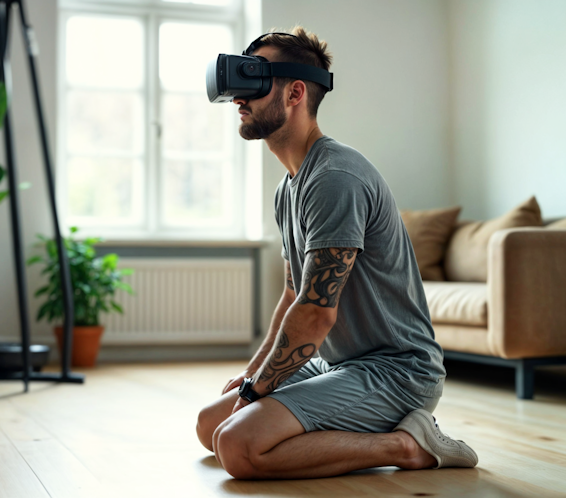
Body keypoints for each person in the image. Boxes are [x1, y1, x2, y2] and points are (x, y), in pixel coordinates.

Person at [196, 26, 478, 480]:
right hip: (340, 362)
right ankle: (318, 428)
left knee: (237, 446)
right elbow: (293, 295)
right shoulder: (288, 189)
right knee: (210, 425)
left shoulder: (335, 177)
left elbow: (315, 312)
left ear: (295, 92)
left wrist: (255, 396)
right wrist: (252, 375)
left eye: (254, 83)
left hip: (397, 372)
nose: (238, 99)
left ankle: (408, 444)